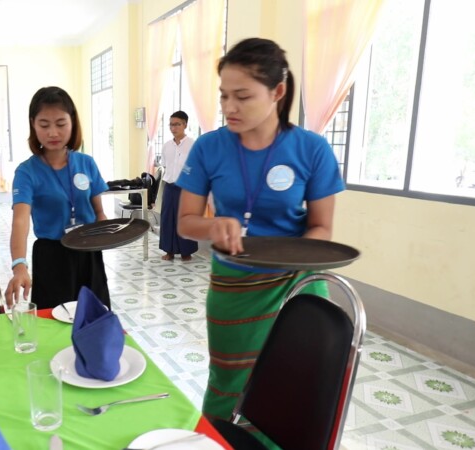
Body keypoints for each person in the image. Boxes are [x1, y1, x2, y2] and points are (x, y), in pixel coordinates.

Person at [175, 38, 344, 442]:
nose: (229, 107)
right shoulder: (209, 148)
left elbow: (322, 228)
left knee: (294, 391)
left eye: (242, 96)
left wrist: (292, 255)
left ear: (278, 92)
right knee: (228, 387)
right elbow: (185, 222)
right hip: (234, 289)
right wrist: (214, 227)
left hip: (297, 287)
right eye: (223, 96)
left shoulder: (312, 149)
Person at [4, 86, 110, 310]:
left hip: (88, 252)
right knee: (54, 320)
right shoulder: (27, 172)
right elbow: (20, 221)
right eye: (44, 125)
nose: (53, 133)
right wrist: (19, 265)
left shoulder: (86, 163)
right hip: (51, 256)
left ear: (72, 122)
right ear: (33, 124)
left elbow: (99, 211)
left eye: (60, 124)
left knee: (94, 317)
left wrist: (108, 229)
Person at [159, 111, 198, 261]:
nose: (173, 128)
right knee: (167, 218)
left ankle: (186, 252)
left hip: (186, 188)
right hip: (169, 186)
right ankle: (169, 251)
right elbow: (164, 165)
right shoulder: (166, 146)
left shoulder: (193, 145)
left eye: (177, 124)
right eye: (171, 124)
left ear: (185, 125)